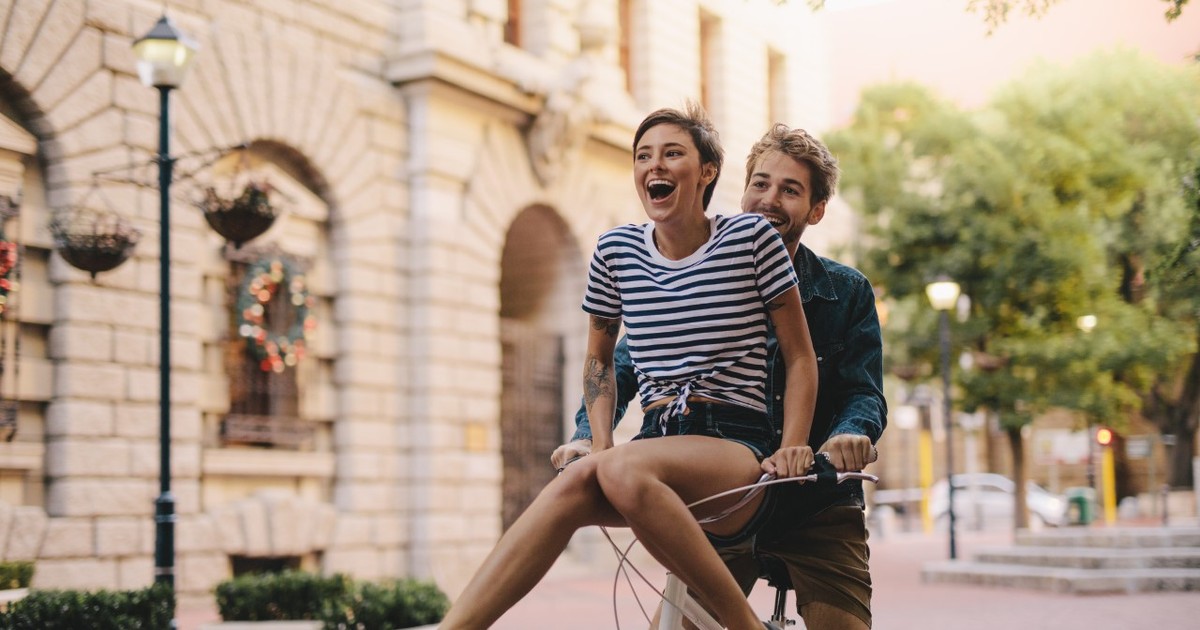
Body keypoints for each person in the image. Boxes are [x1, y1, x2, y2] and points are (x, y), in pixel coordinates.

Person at [440, 106, 819, 630]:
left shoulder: (752, 239)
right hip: (657, 441)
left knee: (618, 465)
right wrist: (596, 442)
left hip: (736, 446)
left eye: (672, 153)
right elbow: (599, 360)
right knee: (573, 484)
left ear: (707, 172)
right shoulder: (615, 251)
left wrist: (792, 445)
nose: (654, 166)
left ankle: (744, 627)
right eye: (643, 156)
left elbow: (799, 356)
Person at [553, 123, 886, 629]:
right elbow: (622, 364)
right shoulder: (704, 269)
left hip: (814, 500)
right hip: (724, 498)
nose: (770, 199)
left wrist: (849, 434)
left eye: (790, 190)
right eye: (760, 184)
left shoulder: (847, 291)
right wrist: (585, 438)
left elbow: (863, 391)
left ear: (817, 210)